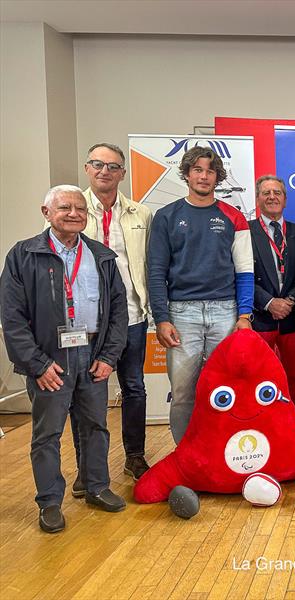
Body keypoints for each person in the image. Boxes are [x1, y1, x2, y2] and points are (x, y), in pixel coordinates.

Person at [1, 185, 129, 533]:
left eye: (79, 209)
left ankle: (96, 486)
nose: (74, 214)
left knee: (96, 427)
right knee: (47, 434)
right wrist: (37, 364)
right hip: (50, 358)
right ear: (46, 212)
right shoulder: (23, 255)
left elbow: (118, 311)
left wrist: (108, 356)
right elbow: (12, 318)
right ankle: (50, 502)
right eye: (64, 208)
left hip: (92, 356)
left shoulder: (101, 255)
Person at [147, 146, 254, 444]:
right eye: (197, 170)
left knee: (228, 386)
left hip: (225, 311)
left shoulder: (234, 217)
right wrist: (162, 319)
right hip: (182, 314)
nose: (204, 176)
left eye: (210, 171)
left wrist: (244, 316)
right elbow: (156, 272)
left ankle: (226, 450)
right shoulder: (166, 217)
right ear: (186, 174)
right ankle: (185, 453)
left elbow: (245, 271)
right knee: (182, 392)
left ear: (218, 176)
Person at [67, 143, 153, 491]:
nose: (105, 171)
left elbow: (151, 263)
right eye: (98, 164)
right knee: (85, 394)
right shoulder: (72, 209)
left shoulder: (141, 213)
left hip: (131, 316)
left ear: (122, 173)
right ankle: (86, 467)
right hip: (86, 323)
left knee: (134, 388)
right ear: (88, 169)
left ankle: (135, 455)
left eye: (113, 166)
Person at [249, 175, 295, 408]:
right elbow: (239, 275)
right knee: (259, 378)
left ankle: (291, 424)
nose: (272, 197)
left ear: (285, 199)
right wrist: (270, 302)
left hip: (292, 318)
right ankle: (263, 429)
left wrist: (289, 300)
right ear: (258, 198)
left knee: (294, 377)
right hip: (260, 318)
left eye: (277, 193)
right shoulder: (244, 231)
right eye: (266, 193)